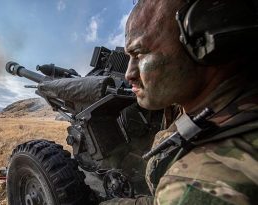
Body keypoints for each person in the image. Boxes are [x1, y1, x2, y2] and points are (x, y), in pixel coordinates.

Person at [101, 0, 258, 204]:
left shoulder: (196, 184)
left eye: (139, 54)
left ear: (204, 37)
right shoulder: (233, 103)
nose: (129, 74)